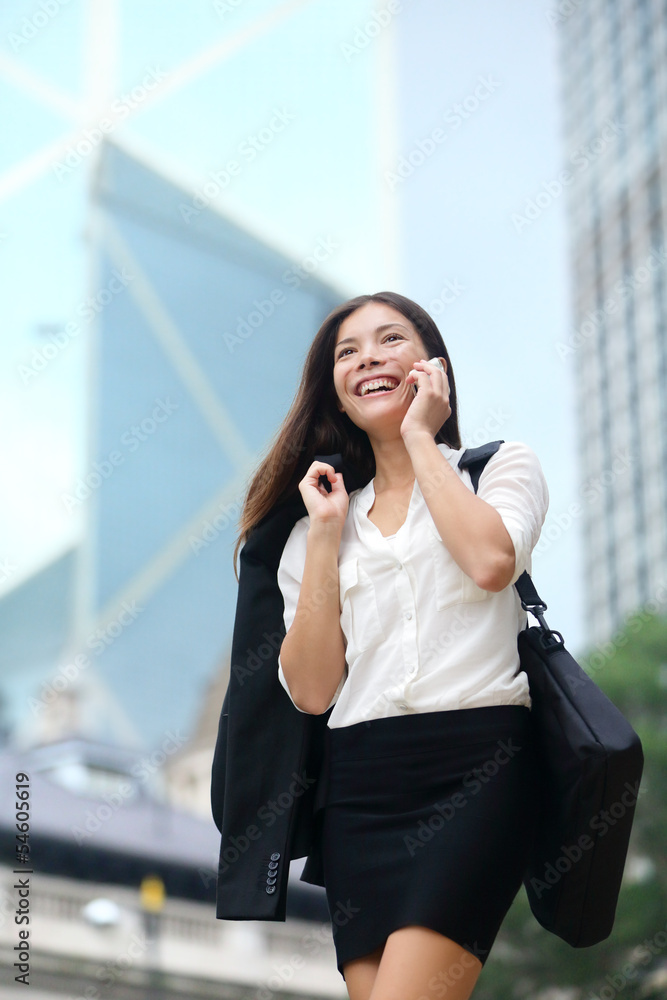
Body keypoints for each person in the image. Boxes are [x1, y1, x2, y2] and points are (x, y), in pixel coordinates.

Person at [228, 291, 549, 1000]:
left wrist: (417, 440)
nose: (367, 356)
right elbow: (312, 690)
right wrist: (321, 533)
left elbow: (490, 562)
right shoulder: (317, 527)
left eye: (389, 340)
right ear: (336, 395)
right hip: (361, 788)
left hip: (480, 764)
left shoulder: (498, 469)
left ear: (431, 369)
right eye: (347, 351)